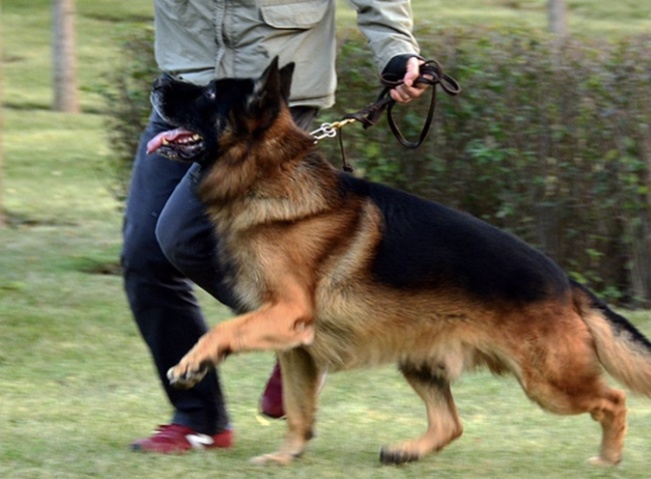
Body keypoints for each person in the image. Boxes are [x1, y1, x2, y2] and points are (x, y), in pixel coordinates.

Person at [122, 0, 429, 453]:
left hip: (268, 95)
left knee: (182, 238)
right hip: (189, 81)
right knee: (145, 256)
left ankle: (303, 324)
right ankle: (199, 420)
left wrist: (395, 51)